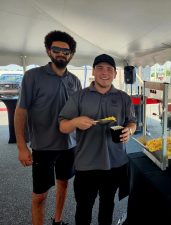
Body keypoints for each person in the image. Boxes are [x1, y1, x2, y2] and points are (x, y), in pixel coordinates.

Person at [59, 54, 136, 225]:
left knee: (107, 207)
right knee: (83, 210)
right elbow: (63, 126)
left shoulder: (124, 97)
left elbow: (132, 122)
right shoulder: (79, 96)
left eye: (109, 69)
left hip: (115, 164)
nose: (104, 72)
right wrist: (75, 121)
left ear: (115, 74)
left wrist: (129, 131)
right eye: (100, 68)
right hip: (86, 165)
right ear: (93, 71)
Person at [14, 30, 82, 225]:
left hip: (69, 146)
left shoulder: (74, 81)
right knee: (40, 195)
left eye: (66, 51)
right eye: (57, 49)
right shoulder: (32, 76)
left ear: (71, 55)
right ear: (48, 50)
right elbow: (21, 112)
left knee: (64, 184)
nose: (61, 54)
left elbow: (77, 113)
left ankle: (58, 220)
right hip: (43, 147)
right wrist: (21, 146)